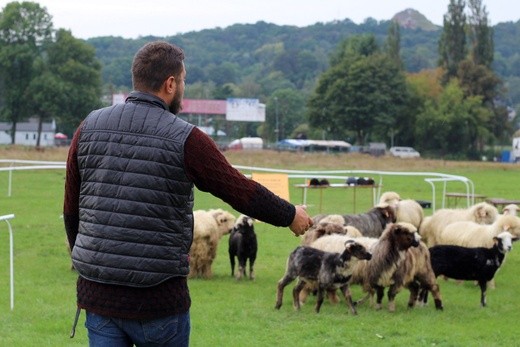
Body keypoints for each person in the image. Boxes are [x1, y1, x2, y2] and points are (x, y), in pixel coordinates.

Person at [63, 40, 313, 346]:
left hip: (98, 296)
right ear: (170, 84)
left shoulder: (87, 127)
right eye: (183, 81)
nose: (183, 87)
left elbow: (71, 210)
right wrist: (290, 214)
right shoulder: (186, 138)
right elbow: (239, 190)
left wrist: (87, 263)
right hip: (158, 302)